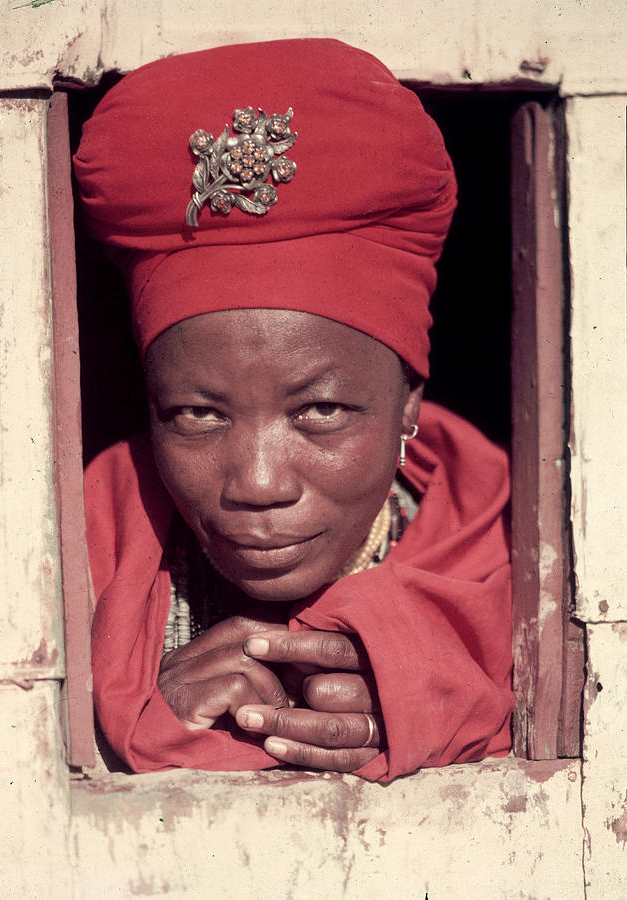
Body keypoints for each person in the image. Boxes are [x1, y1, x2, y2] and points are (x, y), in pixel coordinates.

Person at [74, 38, 513, 781]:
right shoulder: (74, 559)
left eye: (322, 410)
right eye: (196, 415)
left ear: (409, 401)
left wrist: (423, 693)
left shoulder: (521, 557)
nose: (257, 481)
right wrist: (139, 722)